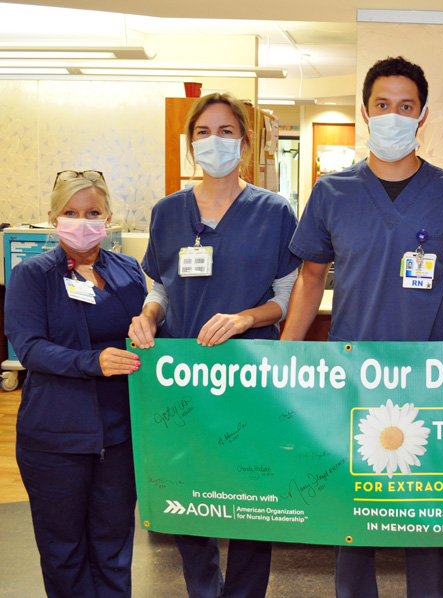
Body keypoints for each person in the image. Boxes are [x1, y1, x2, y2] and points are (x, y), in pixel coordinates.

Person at [281, 56, 443, 598]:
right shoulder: (333, 191)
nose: (394, 116)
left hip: (430, 376)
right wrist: (283, 355)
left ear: (422, 115)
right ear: (365, 111)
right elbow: (310, 277)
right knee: (355, 515)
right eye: (383, 105)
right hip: (352, 374)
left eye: (406, 106)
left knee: (426, 511)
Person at [128, 92, 300, 598]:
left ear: (244, 144)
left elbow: (287, 298)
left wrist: (246, 317)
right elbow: (160, 284)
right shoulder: (168, 212)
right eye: (202, 133)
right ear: (190, 144)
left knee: (253, 493)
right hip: (183, 378)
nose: (214, 142)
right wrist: (148, 315)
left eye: (226, 132)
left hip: (250, 375)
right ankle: (204, 588)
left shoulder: (273, 211)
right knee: (187, 491)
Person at [6, 170, 146, 597]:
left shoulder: (128, 270)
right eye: (70, 212)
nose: (81, 222)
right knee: (63, 551)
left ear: (108, 218)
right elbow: (29, 349)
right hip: (55, 439)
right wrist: (93, 362)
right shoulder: (33, 276)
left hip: (119, 436)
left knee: (114, 549)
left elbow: (147, 331)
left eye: (92, 212)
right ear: (53, 217)